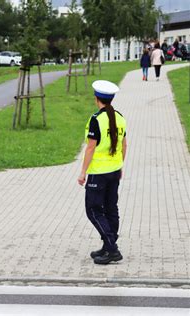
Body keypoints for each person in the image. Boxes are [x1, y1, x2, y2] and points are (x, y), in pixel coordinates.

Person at [78, 80, 127, 265]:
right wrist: (120, 165)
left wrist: (83, 172)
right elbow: (124, 145)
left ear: (96, 98)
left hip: (99, 173)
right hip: (114, 171)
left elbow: (90, 148)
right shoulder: (120, 117)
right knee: (111, 208)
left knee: (93, 210)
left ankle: (112, 249)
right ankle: (108, 246)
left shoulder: (96, 120)